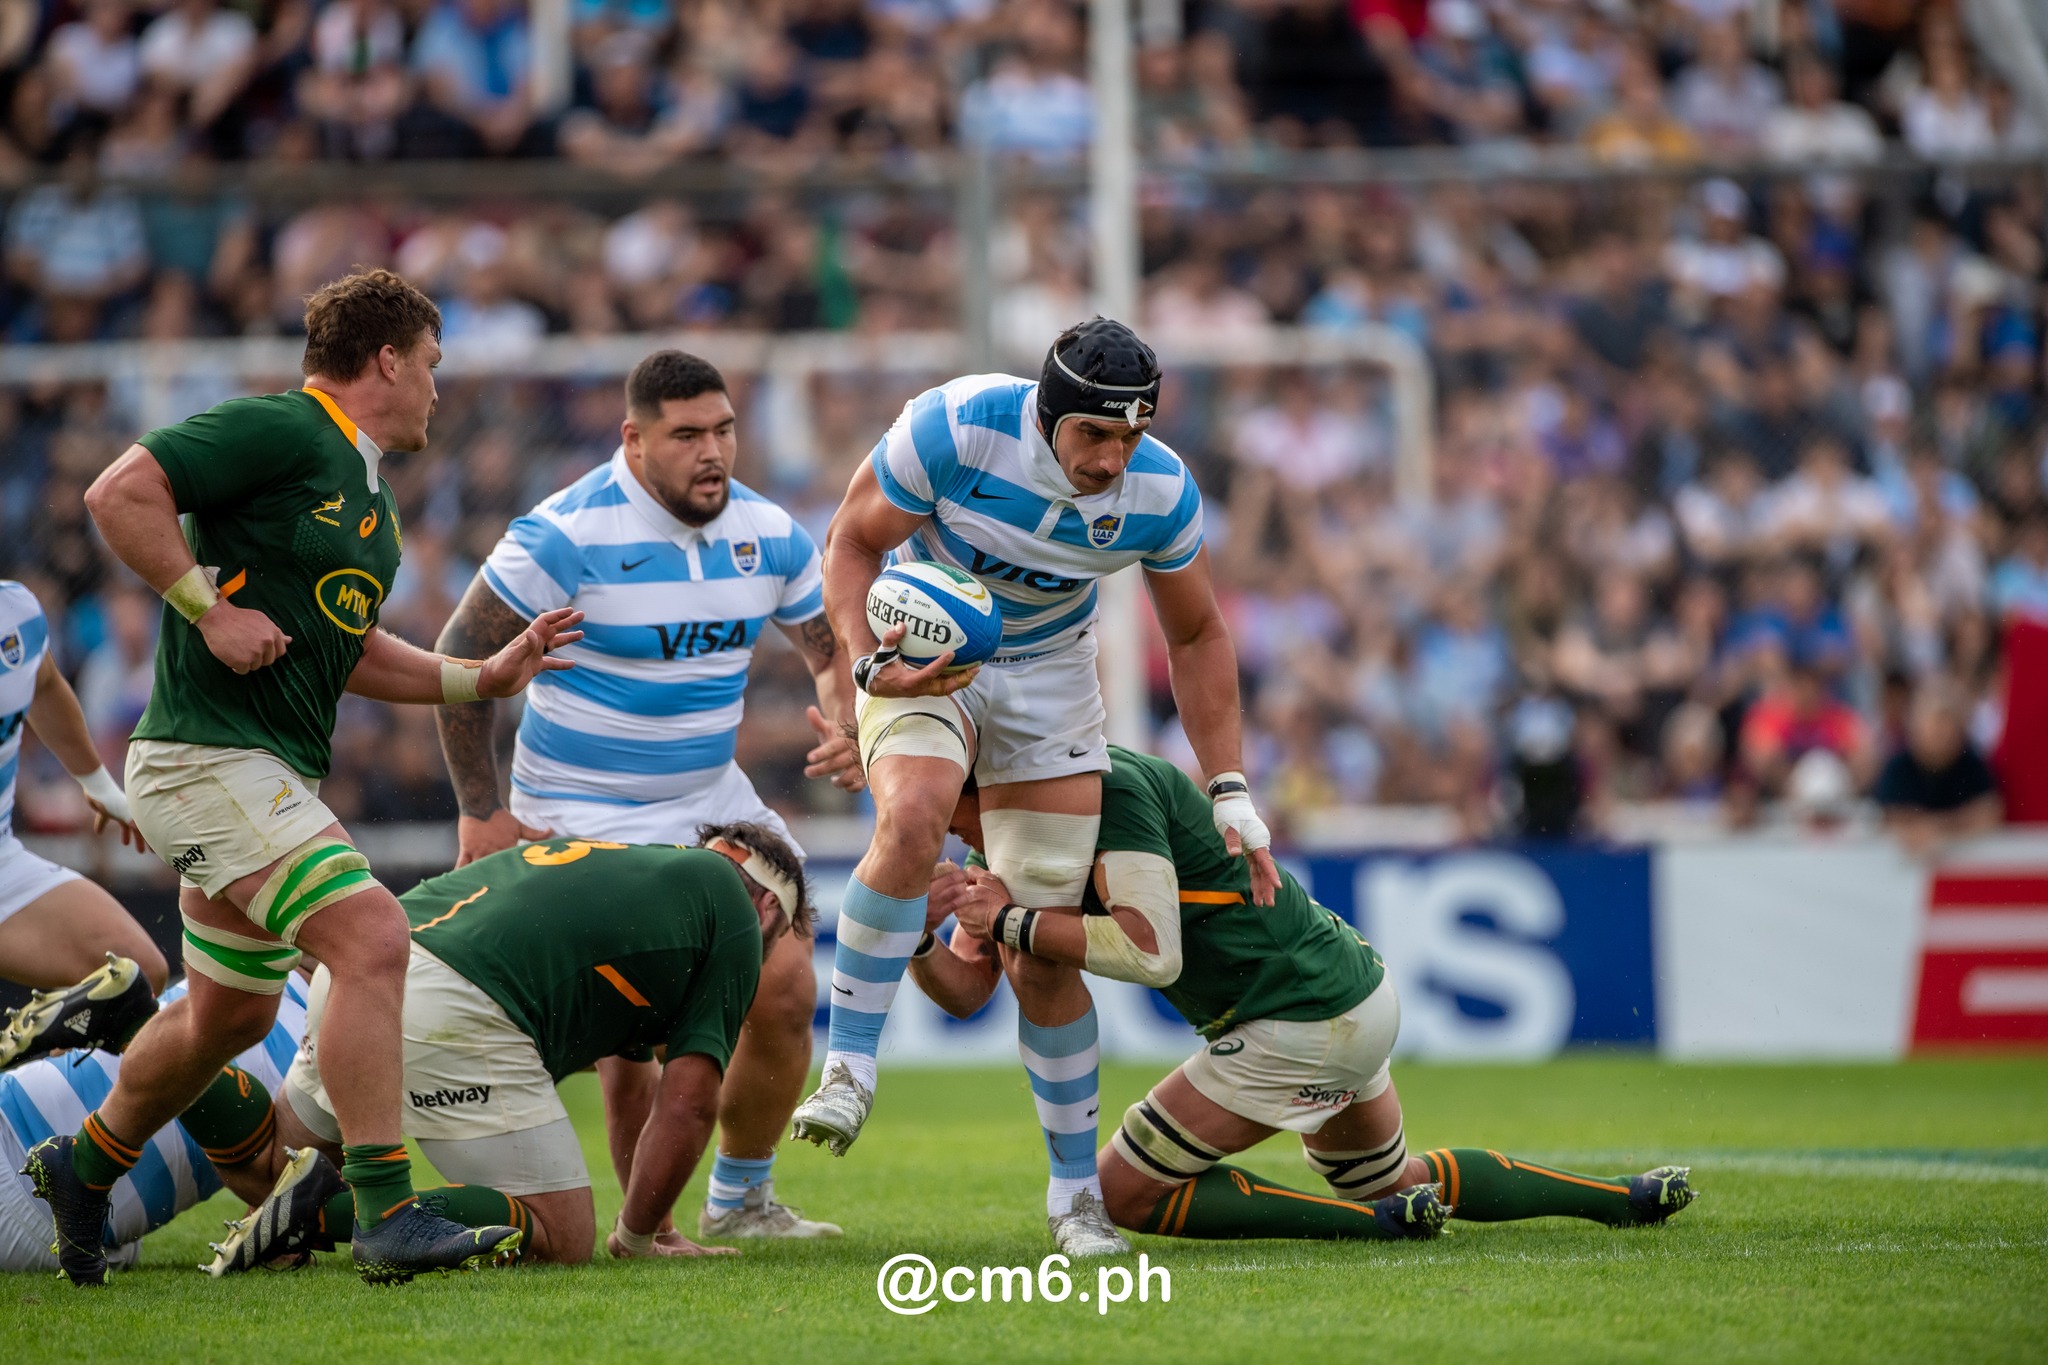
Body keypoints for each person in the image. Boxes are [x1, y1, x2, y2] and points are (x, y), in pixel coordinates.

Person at [28, 268, 582, 1289]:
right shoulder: (289, 429)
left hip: (249, 769)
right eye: (430, 365)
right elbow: (120, 493)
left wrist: (482, 676)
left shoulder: (365, 494)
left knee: (229, 1015)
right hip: (207, 758)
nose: (435, 388)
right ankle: (384, 1209)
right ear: (384, 360)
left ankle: (84, 1164)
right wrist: (206, 606)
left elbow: (351, 648)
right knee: (370, 935)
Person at [790, 317, 1278, 1259]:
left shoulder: (1162, 490)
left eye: (1130, 436)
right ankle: (848, 1064)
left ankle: (1074, 1200)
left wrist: (1229, 787)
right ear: (1048, 413)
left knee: (1042, 954)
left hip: (1054, 673)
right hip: (927, 659)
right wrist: (860, 677)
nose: (1113, 458)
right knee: (918, 811)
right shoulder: (956, 427)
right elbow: (850, 545)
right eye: (1095, 434)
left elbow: (1198, 636)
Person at [916, 747, 1697, 1243]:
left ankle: (1372, 1228)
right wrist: (919, 935)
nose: (936, 824)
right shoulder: (1000, 839)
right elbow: (963, 993)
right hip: (1343, 992)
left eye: (938, 798)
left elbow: (1152, 952)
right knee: (1395, 1180)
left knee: (1120, 1189)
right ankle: (1624, 1197)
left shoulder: (1110, 790)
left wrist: (1013, 919)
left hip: (1297, 1016)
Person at [434, 349, 858, 1242]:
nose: (714, 452)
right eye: (687, 435)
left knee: (783, 989)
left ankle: (741, 1199)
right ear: (633, 439)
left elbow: (827, 652)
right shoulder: (561, 535)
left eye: (725, 430)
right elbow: (458, 662)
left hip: (711, 801)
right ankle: (648, 1232)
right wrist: (481, 810)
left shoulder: (768, 532)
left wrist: (845, 719)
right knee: (632, 1045)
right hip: (578, 808)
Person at [197, 825, 804, 1272]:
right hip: (452, 1004)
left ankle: (149, 1039)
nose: (760, 958)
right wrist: (637, 1239)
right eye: (772, 943)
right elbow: (690, 1103)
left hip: (361, 974)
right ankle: (315, 1215)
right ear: (768, 906)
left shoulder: (639, 882)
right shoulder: (734, 912)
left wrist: (653, 1225)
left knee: (267, 1168)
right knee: (563, 1238)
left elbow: (631, 1090)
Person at [1, 975, 310, 1274]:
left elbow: (285, 1190)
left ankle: (132, 1026)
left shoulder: (257, 957)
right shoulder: (257, 954)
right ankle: (133, 1026)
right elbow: (285, 1193)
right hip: (73, 1220)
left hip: (60, 1210)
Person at [0, 579, 165, 1070]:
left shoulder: (17, 611)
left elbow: (45, 683)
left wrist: (100, 786)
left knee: (138, 974)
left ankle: (77, 1141)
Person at [1873, 678, 2002, 856]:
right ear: (1916, 726)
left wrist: (1938, 827)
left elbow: (1989, 813)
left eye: (1949, 723)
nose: (1944, 732)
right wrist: (1955, 823)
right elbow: (1891, 817)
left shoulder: (1973, 765)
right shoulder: (1897, 767)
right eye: (1936, 724)